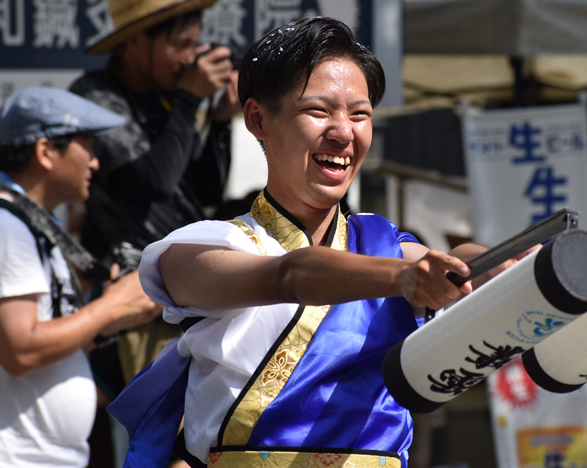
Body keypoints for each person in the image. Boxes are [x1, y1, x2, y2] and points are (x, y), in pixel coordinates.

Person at [108, 17, 521, 468]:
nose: (344, 132)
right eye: (319, 111)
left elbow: (450, 261)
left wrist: (502, 269)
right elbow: (290, 275)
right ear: (257, 119)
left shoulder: (382, 244)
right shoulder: (199, 250)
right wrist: (406, 278)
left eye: (359, 114)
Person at [69, 0, 240, 387]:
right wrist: (189, 100)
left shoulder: (168, 96)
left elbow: (206, 190)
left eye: (194, 45)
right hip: (136, 302)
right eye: (180, 44)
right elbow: (155, 181)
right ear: (133, 41)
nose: (188, 59)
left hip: (187, 296)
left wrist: (219, 121)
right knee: (152, 436)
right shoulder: (95, 97)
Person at [0, 87, 162, 467]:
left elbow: (49, 342)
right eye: (86, 146)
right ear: (45, 152)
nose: (94, 162)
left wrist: (118, 318)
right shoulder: (8, 227)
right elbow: (21, 350)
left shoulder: (35, 227)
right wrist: (112, 306)